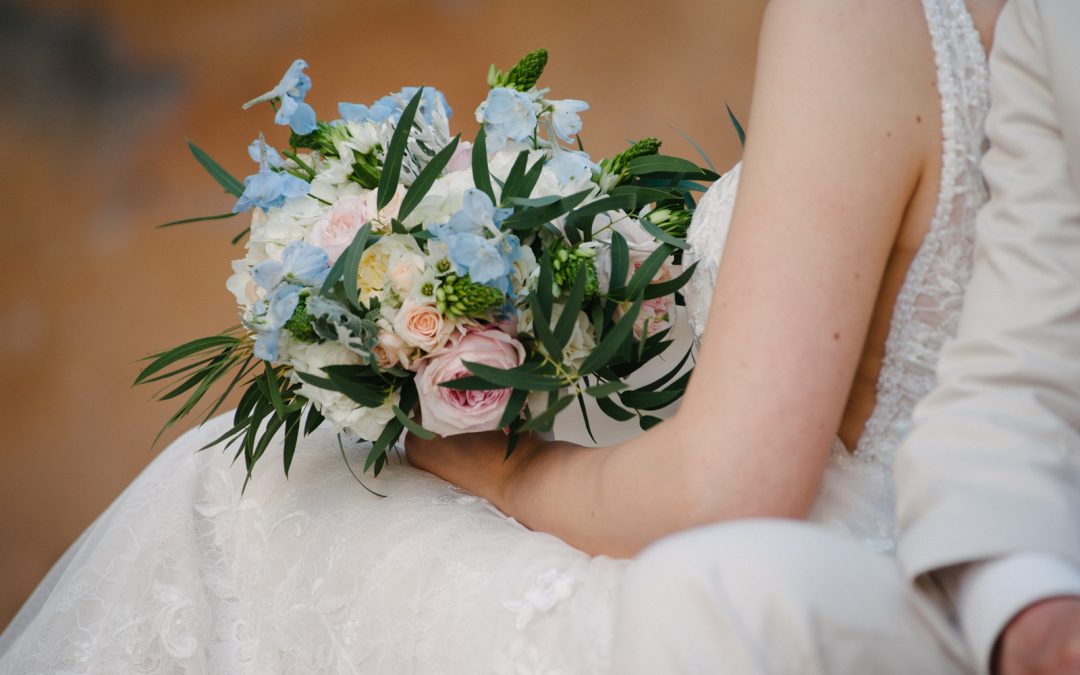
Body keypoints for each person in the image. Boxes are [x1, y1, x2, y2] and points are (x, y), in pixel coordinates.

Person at [0, 0, 1001, 672]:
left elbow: (729, 491)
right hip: (989, 566)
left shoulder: (871, 22)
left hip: (796, 598)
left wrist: (481, 459)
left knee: (236, 493)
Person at [609, 1, 1080, 674]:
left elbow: (723, 484)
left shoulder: (852, 23)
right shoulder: (1048, 21)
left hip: (836, 526)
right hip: (974, 526)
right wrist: (1028, 608)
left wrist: (508, 475)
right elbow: (1020, 371)